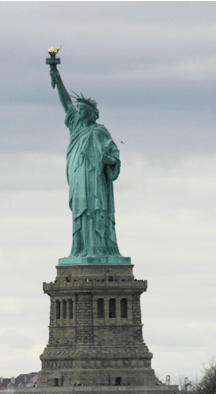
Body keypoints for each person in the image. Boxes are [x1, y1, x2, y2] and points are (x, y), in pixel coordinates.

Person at [49, 63, 126, 263]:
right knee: (81, 211)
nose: (79, 112)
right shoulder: (75, 126)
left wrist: (110, 160)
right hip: (79, 176)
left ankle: (100, 249)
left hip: (95, 179)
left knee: (96, 211)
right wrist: (57, 77)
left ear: (91, 113)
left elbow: (114, 152)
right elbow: (66, 102)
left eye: (83, 109)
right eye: (79, 109)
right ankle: (81, 248)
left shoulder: (100, 132)